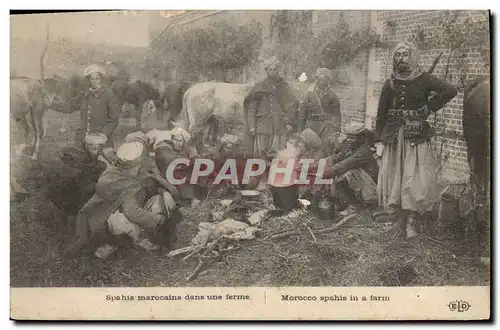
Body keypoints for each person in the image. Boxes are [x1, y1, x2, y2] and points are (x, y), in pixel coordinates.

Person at [375, 41, 458, 239]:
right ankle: (398, 220)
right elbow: (381, 114)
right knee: (396, 177)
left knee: (414, 179)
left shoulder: (424, 79)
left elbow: (450, 90)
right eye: (398, 55)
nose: (401, 59)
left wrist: (429, 107)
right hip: (394, 138)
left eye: (405, 55)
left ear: (411, 56)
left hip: (415, 136)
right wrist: (378, 141)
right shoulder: (390, 83)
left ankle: (412, 219)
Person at [63, 135, 181, 259]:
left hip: (124, 211)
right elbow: (132, 212)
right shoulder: (120, 180)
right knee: (121, 221)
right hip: (109, 220)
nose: (138, 168)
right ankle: (126, 240)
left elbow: (150, 186)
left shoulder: (129, 171)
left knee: (158, 200)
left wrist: (164, 192)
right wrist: (158, 218)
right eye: (136, 166)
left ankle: (132, 237)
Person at [318, 122, 379, 217]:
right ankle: (341, 202)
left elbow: (345, 164)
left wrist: (323, 173)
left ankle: (355, 207)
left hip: (370, 189)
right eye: (348, 137)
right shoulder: (351, 148)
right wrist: (316, 165)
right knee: (335, 169)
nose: (348, 140)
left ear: (361, 138)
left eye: (352, 138)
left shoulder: (364, 151)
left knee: (346, 174)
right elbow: (335, 158)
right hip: (361, 186)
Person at [246, 56, 299, 160]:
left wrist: (288, 122)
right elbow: (252, 108)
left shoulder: (284, 86)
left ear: (277, 70)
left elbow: (291, 106)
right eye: (270, 69)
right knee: (261, 154)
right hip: (263, 125)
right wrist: (252, 126)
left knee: (279, 155)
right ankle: (261, 175)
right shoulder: (259, 87)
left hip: (279, 125)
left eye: (275, 69)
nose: (273, 71)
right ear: (267, 70)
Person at [149, 127, 202, 206]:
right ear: (171, 139)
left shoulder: (185, 148)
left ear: (184, 142)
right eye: (175, 140)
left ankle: (193, 198)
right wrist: (188, 161)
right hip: (165, 176)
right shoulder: (163, 147)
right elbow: (168, 159)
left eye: (180, 141)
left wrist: (194, 157)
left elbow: (196, 157)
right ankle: (186, 201)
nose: (177, 143)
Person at [74, 64, 121, 148]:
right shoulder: (86, 94)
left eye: (97, 78)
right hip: (84, 138)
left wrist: (103, 134)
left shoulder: (109, 95)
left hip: (101, 139)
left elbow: (114, 119)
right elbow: (73, 107)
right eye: (92, 79)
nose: (94, 81)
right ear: (89, 80)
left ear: (101, 79)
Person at [298, 68, 342, 154]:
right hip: (311, 127)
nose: (321, 82)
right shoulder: (309, 94)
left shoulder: (333, 96)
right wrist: (300, 130)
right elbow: (302, 113)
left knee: (325, 151)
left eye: (324, 80)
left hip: (326, 129)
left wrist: (336, 132)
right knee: (309, 152)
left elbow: (337, 116)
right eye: (319, 79)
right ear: (316, 79)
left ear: (328, 81)